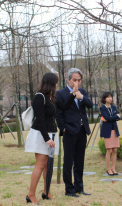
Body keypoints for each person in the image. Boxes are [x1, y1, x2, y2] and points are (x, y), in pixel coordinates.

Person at [25, 73, 78, 204]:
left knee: (48, 166)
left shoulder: (51, 97)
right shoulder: (39, 97)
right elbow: (40, 120)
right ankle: (30, 195)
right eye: (56, 82)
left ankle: (46, 192)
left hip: (52, 134)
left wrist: (73, 94)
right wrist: (47, 138)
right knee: (41, 164)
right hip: (41, 134)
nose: (57, 85)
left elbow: (64, 107)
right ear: (50, 83)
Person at [56, 68, 93, 198]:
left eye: (79, 80)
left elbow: (90, 105)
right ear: (68, 79)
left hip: (82, 131)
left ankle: (79, 187)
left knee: (79, 161)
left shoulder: (82, 92)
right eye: (74, 80)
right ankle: (69, 189)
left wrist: (81, 97)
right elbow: (58, 114)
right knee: (68, 161)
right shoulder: (61, 94)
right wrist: (64, 128)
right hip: (69, 132)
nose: (77, 82)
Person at [100, 92, 121, 176]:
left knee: (115, 150)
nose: (110, 98)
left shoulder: (113, 107)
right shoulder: (102, 108)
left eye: (111, 97)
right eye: (108, 97)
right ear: (104, 99)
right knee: (109, 150)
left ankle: (113, 168)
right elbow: (108, 117)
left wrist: (111, 118)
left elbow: (116, 118)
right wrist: (115, 117)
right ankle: (108, 169)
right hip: (107, 131)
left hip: (114, 130)